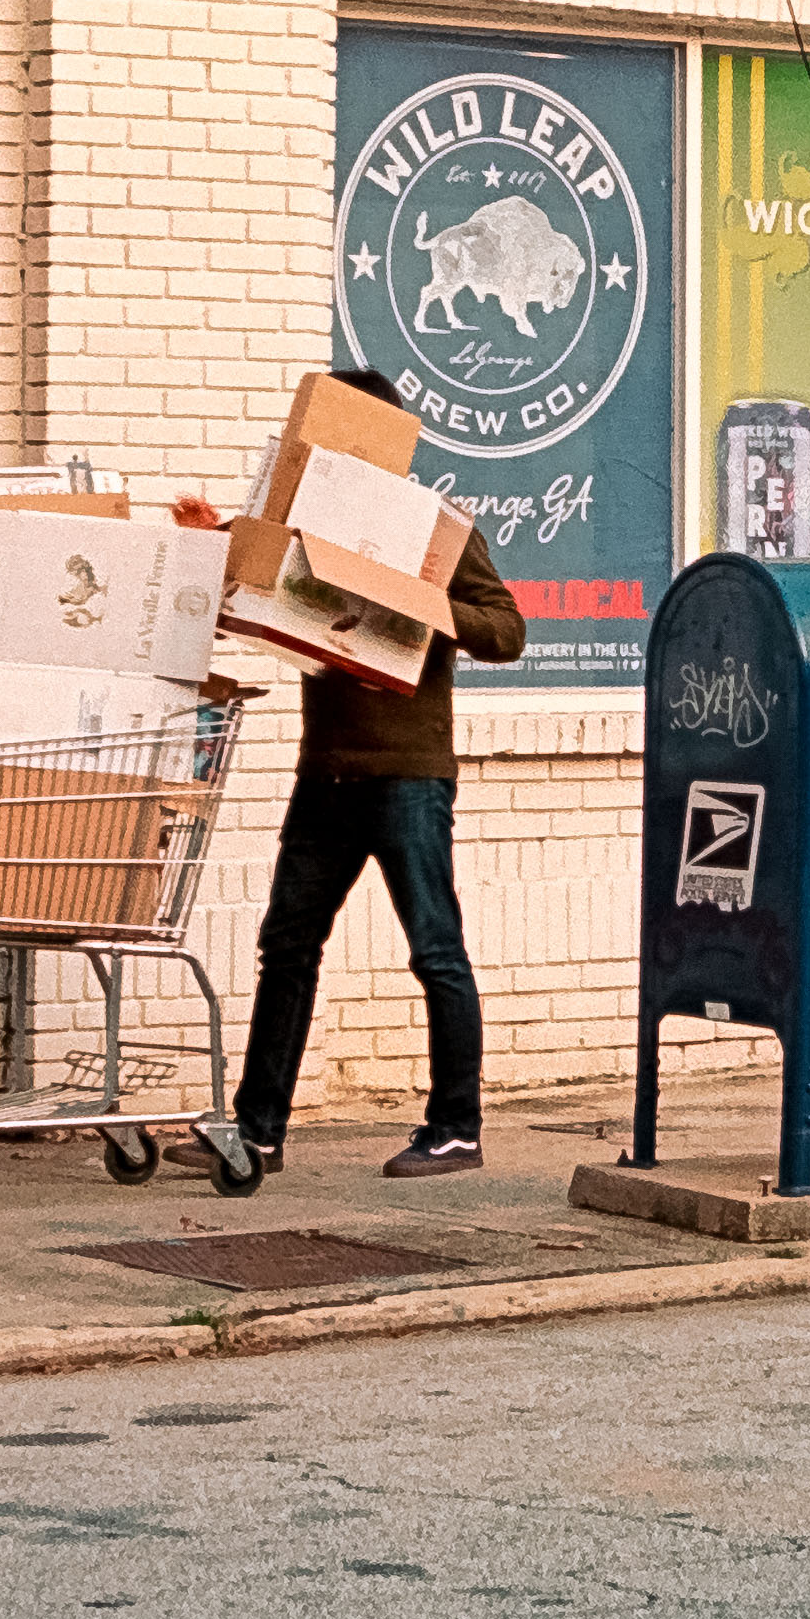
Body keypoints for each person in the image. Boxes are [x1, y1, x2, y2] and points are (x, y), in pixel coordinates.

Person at [229, 374, 527, 1177]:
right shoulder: (305, 526)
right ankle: (256, 1133)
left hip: (407, 776)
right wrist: (218, 545)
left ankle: (456, 1129)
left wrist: (427, 606)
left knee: (435, 950)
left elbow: (508, 631)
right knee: (287, 948)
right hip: (325, 772)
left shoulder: (434, 531)